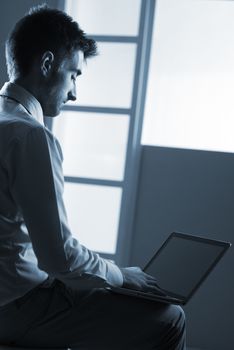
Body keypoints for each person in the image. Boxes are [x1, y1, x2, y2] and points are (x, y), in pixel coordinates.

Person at [0, 5, 186, 349]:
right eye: (74, 75)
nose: (74, 92)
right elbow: (58, 258)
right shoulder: (30, 136)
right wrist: (121, 275)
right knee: (170, 317)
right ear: (46, 64)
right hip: (17, 305)